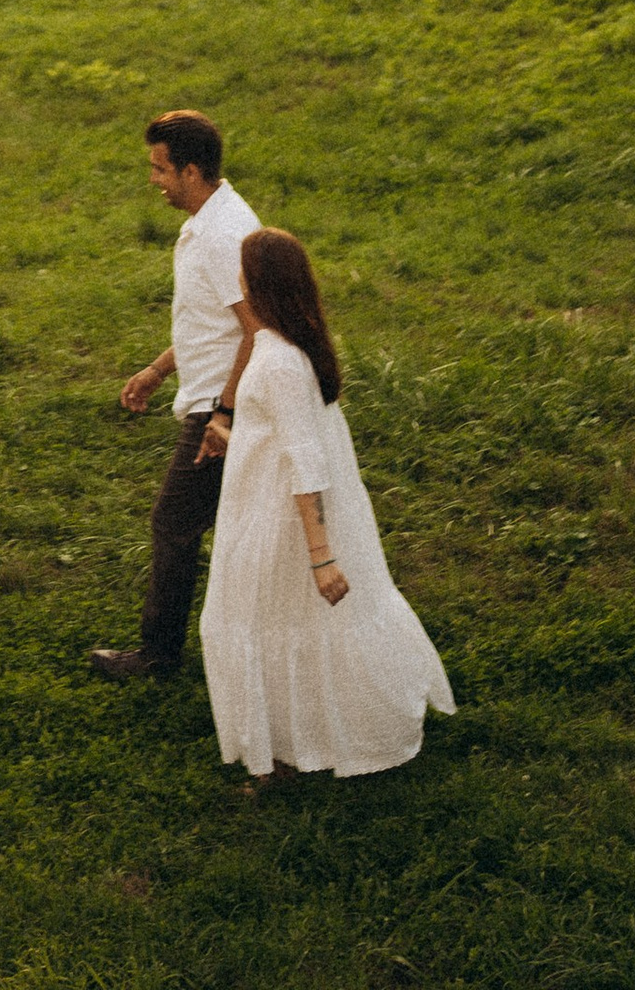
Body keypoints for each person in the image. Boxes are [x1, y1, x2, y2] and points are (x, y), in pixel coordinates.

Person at [198, 226, 454, 785]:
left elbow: (305, 461)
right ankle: (287, 746)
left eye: (243, 271)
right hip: (260, 510)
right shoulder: (277, 347)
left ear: (260, 285)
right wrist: (235, 438)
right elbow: (282, 439)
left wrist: (320, 556)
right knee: (264, 622)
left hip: (282, 523)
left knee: (270, 622)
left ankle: (294, 752)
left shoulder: (283, 362)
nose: (237, 279)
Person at [89, 107, 258, 681]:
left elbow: (257, 329)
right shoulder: (216, 218)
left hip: (221, 403)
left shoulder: (220, 236)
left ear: (191, 171)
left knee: (173, 523)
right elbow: (212, 324)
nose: (154, 180)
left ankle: (158, 658)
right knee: (230, 524)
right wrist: (159, 370)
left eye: (161, 169)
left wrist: (225, 413)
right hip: (214, 392)